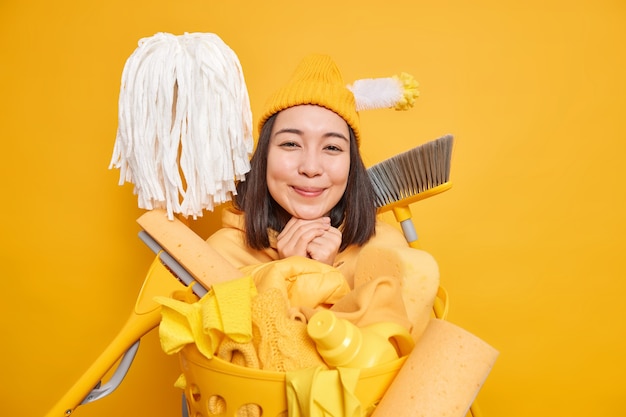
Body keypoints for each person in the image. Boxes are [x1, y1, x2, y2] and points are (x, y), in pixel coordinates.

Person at [207, 54, 432, 288]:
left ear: (351, 165)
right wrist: (291, 272)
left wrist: (323, 275)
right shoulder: (217, 257)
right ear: (263, 156)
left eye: (332, 147)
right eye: (291, 144)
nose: (311, 168)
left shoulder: (387, 251)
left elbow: (394, 325)